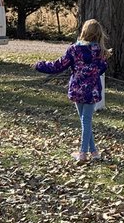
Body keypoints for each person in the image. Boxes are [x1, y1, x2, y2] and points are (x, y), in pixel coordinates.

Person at [34, 19, 109, 163]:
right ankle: (93, 152)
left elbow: (58, 66)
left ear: (84, 32)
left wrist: (40, 65)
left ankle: (83, 153)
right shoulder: (101, 53)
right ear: (99, 34)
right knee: (85, 120)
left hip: (77, 89)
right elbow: (102, 68)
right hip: (92, 91)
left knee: (85, 120)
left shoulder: (74, 49)